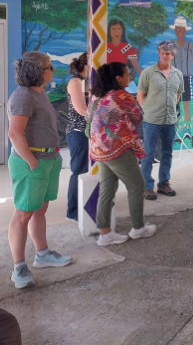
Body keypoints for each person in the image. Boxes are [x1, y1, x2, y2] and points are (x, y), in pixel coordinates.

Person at [7, 52, 73, 289]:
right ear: (37, 71)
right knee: (23, 213)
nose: (53, 70)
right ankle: (18, 267)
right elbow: (14, 133)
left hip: (49, 158)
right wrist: (32, 162)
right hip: (32, 160)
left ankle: (42, 254)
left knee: (39, 209)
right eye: (49, 67)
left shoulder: (39, 93)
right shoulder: (23, 96)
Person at [87, 62, 156, 246]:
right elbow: (138, 117)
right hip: (117, 148)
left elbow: (89, 116)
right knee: (137, 185)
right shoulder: (122, 95)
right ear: (118, 78)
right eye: (127, 74)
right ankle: (138, 228)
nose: (130, 77)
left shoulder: (96, 95)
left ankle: (105, 234)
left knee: (107, 189)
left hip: (99, 150)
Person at [137, 41, 184, 200]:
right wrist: (149, 111)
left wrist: (170, 108)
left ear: (173, 55)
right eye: (163, 53)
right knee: (148, 154)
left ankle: (164, 183)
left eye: (169, 53)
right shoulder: (148, 73)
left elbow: (178, 95)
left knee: (166, 153)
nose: (166, 55)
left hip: (170, 121)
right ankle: (147, 186)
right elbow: (140, 96)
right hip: (151, 121)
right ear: (159, 54)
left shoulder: (178, 74)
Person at [65, 52, 89, 223]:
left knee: (93, 170)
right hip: (78, 132)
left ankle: (90, 203)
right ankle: (73, 211)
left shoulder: (88, 82)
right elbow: (82, 110)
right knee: (79, 170)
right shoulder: (76, 82)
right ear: (88, 67)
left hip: (90, 133)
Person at [169, 16, 193, 138]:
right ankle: (175, 129)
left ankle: (188, 128)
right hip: (174, 77)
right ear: (175, 30)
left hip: (187, 77)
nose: (180, 31)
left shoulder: (191, 45)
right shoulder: (171, 45)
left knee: (186, 102)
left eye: (182, 28)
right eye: (178, 29)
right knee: (174, 102)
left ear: (185, 30)